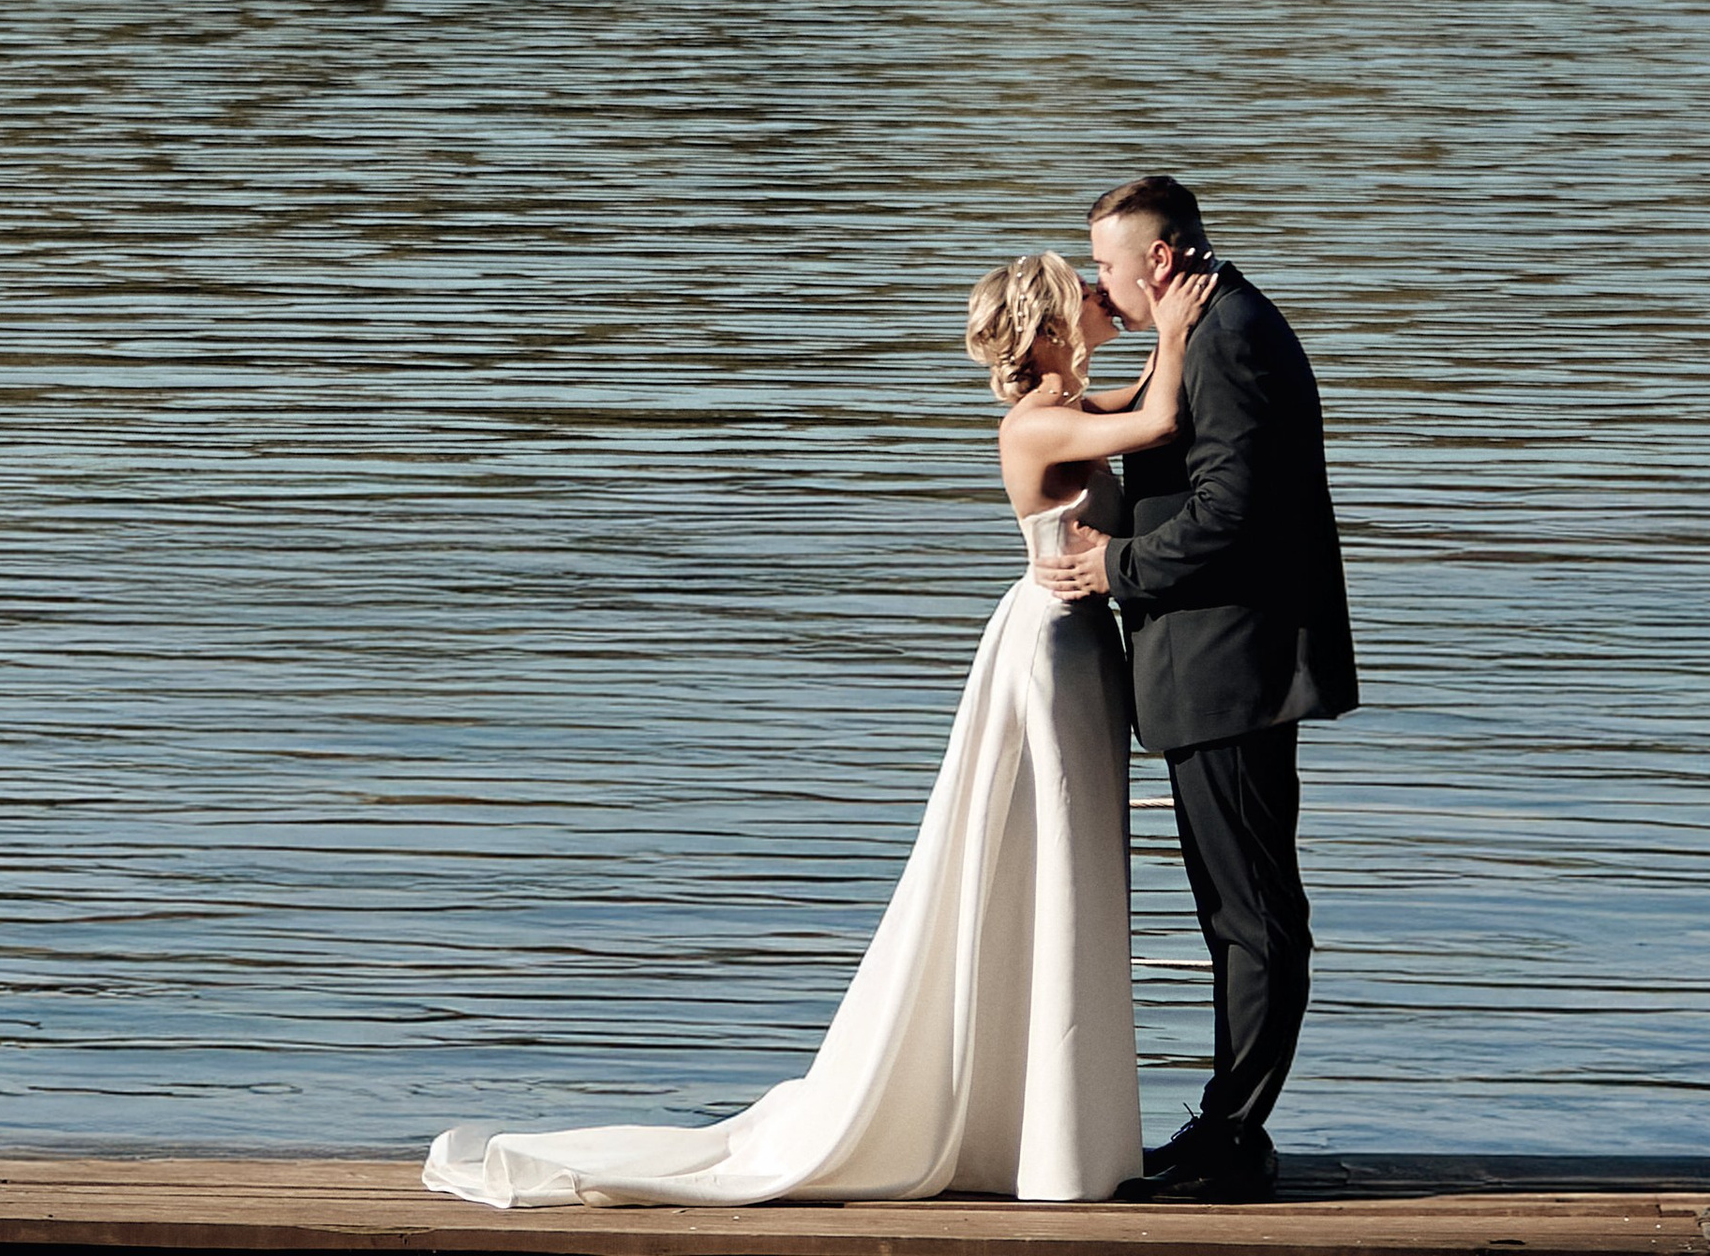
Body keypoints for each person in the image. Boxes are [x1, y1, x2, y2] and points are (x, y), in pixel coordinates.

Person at [422, 247, 1214, 1211]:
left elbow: (1147, 399)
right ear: (1048, 324)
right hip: (1051, 647)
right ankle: (1041, 1133)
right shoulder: (1037, 422)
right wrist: (1179, 319)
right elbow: (1160, 417)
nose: (1100, 295)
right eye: (1084, 291)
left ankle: (1040, 1121)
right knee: (1045, 848)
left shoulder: (1074, 405)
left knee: (1066, 859)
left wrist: (1167, 328)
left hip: (1084, 644)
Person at [1035, 173, 1358, 1203]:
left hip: (1232, 669)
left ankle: (1235, 1135)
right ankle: (1226, 1124)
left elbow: (1234, 513)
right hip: (1210, 668)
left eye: (1108, 265)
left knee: (1253, 912)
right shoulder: (1206, 330)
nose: (1101, 284)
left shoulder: (1229, 336)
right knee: (1233, 908)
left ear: (1161, 258)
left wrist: (1113, 567)